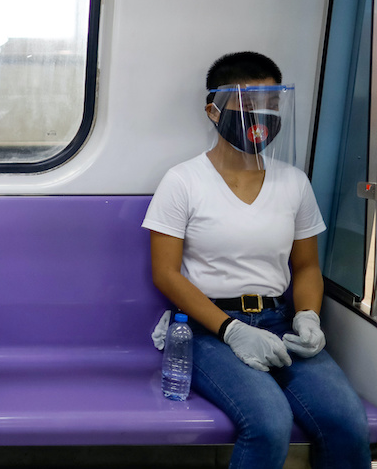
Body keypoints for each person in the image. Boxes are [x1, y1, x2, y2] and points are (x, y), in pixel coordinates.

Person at [144, 51, 370, 469]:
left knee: (346, 422)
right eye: (248, 106)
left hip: (280, 322)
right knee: (268, 423)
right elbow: (166, 274)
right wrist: (231, 331)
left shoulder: (294, 182)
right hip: (209, 328)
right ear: (214, 110)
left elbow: (304, 267)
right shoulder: (183, 181)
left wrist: (308, 317)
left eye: (272, 105)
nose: (261, 117)